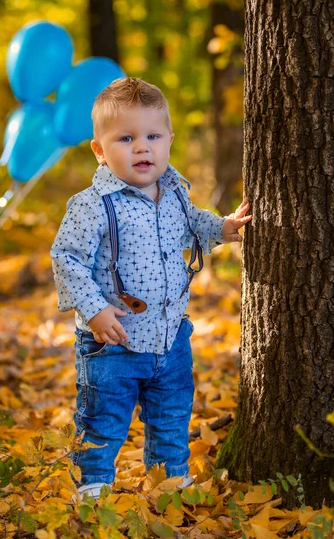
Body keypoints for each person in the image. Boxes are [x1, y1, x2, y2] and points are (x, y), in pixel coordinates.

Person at [51, 77, 252, 498]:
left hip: (170, 337)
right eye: (126, 138)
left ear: (169, 141)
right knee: (103, 419)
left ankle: (169, 479)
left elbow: (195, 224)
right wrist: (93, 309)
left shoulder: (175, 192)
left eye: (153, 136)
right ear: (100, 151)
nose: (143, 147)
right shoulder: (93, 204)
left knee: (172, 414)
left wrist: (224, 228)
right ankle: (93, 486)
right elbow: (66, 257)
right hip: (112, 342)